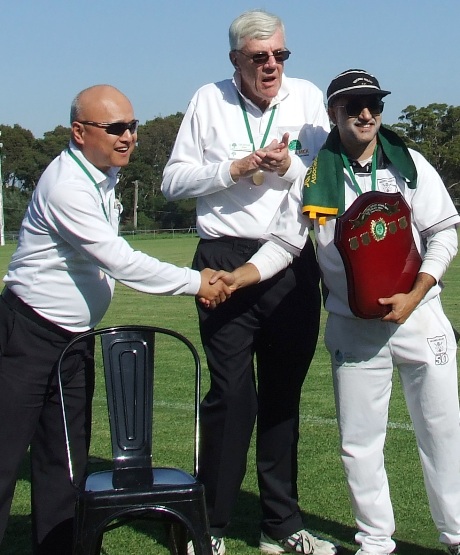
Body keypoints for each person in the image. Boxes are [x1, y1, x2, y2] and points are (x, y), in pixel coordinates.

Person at [212, 69, 460, 555]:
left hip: (421, 315)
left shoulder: (410, 164)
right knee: (360, 443)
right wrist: (241, 275)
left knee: (442, 431)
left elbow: (445, 231)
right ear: (333, 113)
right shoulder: (313, 176)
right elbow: (285, 243)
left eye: (373, 104)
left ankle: (455, 535)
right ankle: (375, 541)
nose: (366, 114)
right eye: (353, 106)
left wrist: (418, 290)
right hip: (354, 325)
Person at [0, 84, 231, 555]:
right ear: (79, 132)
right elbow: (120, 262)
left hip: (71, 343)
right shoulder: (67, 183)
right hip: (25, 336)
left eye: (133, 127)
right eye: (116, 128)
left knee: (64, 467)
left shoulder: (103, 176)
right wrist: (196, 281)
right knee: (3, 463)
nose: (128, 137)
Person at [161, 9, 335, 555]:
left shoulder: (307, 98)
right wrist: (236, 168)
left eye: (280, 55)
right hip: (223, 258)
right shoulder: (207, 100)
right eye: (259, 57)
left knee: (283, 396)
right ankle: (208, 524)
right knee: (232, 395)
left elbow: (326, 177)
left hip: (292, 257)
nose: (271, 66)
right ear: (235, 58)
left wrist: (283, 168)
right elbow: (171, 181)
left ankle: (279, 526)